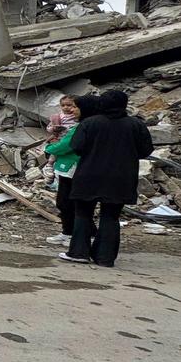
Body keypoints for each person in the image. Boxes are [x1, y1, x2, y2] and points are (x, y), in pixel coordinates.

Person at [63, 90, 153, 266]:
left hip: (89, 173)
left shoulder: (90, 123)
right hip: (121, 176)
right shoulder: (136, 125)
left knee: (83, 213)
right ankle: (105, 258)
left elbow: (77, 147)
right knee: (111, 216)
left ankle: (79, 252)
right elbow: (145, 150)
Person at [42, 94, 101, 246]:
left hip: (72, 167)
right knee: (66, 202)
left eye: (75, 107)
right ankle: (68, 232)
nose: (72, 110)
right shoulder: (84, 125)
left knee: (68, 203)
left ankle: (83, 234)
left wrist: (49, 148)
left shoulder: (84, 126)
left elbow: (67, 145)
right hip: (69, 167)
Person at [43, 96, 79, 179]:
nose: (66, 107)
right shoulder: (58, 117)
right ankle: (49, 164)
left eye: (69, 105)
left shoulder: (76, 116)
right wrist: (54, 129)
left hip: (71, 138)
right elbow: (49, 128)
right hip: (59, 137)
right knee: (56, 151)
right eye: (63, 105)